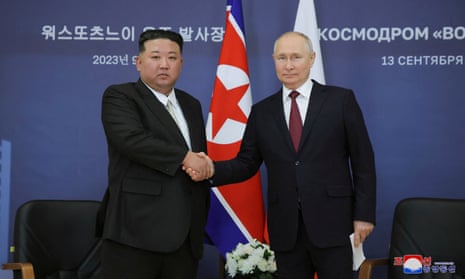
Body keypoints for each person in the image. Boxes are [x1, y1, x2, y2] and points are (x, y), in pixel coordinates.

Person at [186, 31, 376, 279]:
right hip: (286, 229)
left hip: (334, 224)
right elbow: (246, 163)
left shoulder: (340, 100)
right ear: (273, 60)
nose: (288, 65)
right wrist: (210, 169)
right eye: (281, 57)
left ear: (311, 59)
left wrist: (363, 215)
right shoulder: (262, 111)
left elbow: (363, 162)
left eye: (296, 57)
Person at [99, 29, 213, 279]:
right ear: (138, 62)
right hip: (136, 233)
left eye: (172, 58)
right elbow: (132, 139)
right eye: (155, 57)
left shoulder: (191, 104)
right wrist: (186, 158)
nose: (164, 64)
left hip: (186, 236)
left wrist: (202, 166)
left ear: (181, 63)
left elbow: (197, 156)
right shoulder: (120, 95)